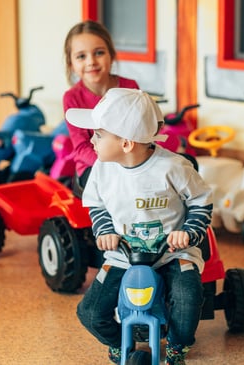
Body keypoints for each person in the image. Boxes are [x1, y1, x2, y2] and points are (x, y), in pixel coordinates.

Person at [66, 88, 213, 365]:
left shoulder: (173, 167)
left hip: (172, 253)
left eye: (98, 134)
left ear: (126, 144)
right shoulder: (101, 169)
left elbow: (201, 202)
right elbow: (96, 205)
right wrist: (106, 231)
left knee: (189, 296)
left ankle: (177, 346)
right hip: (123, 254)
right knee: (90, 312)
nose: (92, 140)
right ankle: (119, 340)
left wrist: (189, 232)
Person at [63, 20, 139, 191]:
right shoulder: (71, 98)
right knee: (117, 187)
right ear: (71, 64)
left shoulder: (130, 87)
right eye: (81, 56)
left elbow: (139, 131)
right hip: (93, 166)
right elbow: (82, 147)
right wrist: (116, 165)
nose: (91, 62)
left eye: (98, 53)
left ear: (111, 56)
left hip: (130, 160)